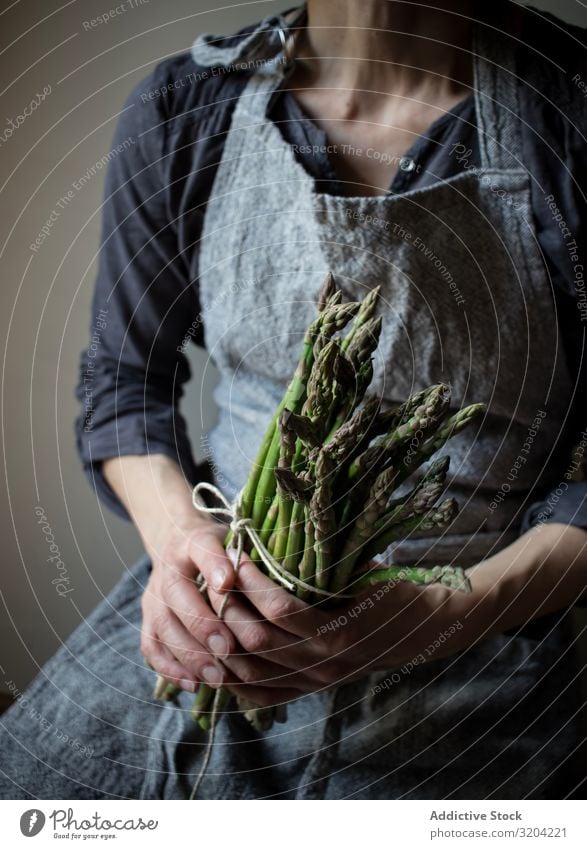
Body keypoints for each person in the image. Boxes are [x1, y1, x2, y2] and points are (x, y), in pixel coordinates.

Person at [1, 0, 587, 800]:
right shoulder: (187, 106)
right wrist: (182, 544)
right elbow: (123, 383)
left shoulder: (570, 109)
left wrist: (451, 610)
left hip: (489, 642)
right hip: (220, 601)